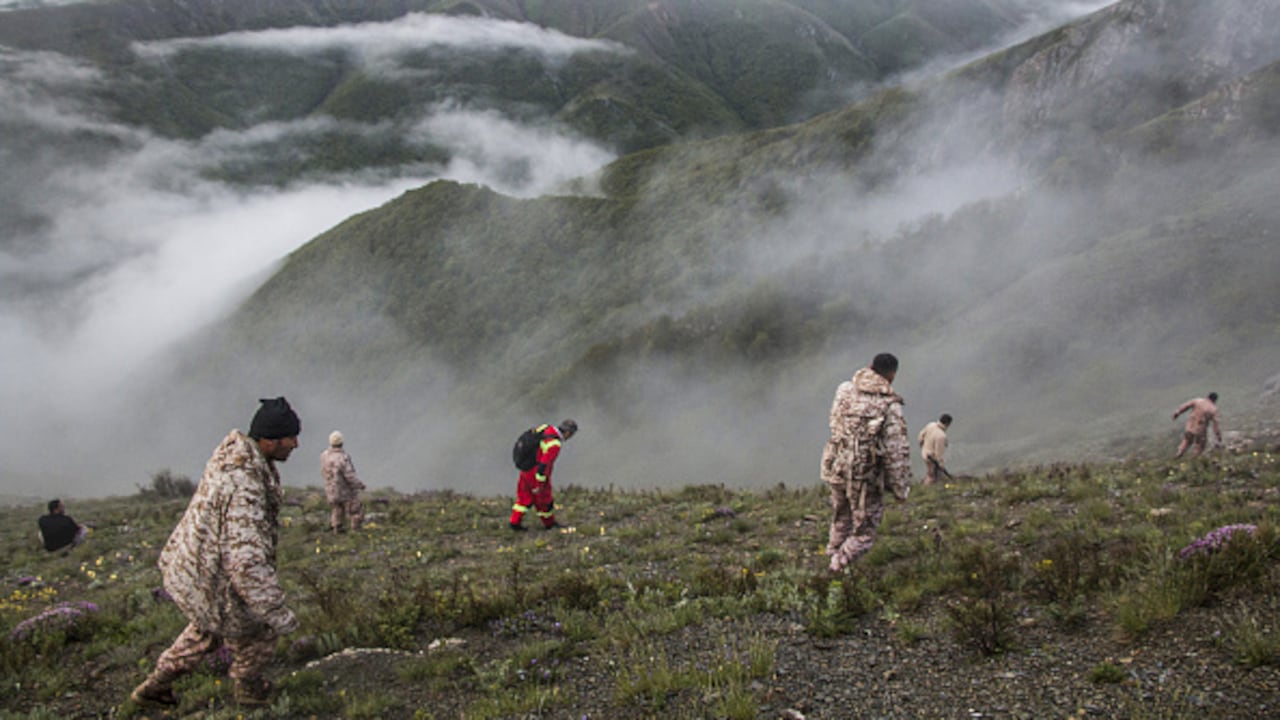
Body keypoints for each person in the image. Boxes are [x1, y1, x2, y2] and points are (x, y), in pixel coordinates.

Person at [131, 397, 302, 709]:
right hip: (215, 576)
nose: (296, 444)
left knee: (205, 631)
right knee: (260, 628)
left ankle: (155, 687)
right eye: (290, 437)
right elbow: (245, 562)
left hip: (197, 569)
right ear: (269, 440)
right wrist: (278, 613)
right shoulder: (245, 487)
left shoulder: (234, 458)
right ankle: (249, 689)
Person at [820, 353, 912, 573]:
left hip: (837, 465)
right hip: (864, 475)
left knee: (841, 516)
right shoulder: (889, 404)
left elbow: (834, 423)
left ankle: (832, 553)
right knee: (864, 531)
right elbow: (896, 451)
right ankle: (837, 567)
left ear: (870, 367)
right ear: (892, 374)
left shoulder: (844, 390)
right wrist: (900, 488)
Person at [509, 419, 578, 531]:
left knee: (524, 497)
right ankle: (549, 524)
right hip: (536, 472)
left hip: (526, 468)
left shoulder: (545, 428)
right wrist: (540, 483)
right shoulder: (554, 444)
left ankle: (514, 523)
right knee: (544, 500)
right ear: (568, 433)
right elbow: (544, 464)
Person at [321, 430, 365, 534]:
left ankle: (337, 527)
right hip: (343, 489)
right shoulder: (343, 457)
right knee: (355, 508)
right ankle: (356, 529)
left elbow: (323, 471)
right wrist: (359, 485)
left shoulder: (324, 456)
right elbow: (349, 475)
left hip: (330, 489)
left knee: (337, 508)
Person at [1173, 392, 1222, 458]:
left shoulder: (1197, 401)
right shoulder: (1213, 409)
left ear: (1207, 396)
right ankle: (1194, 460)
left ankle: (1179, 453)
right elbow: (1216, 424)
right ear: (1215, 400)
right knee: (1200, 446)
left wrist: (1177, 412)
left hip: (1190, 426)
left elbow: (1185, 406)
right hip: (1200, 429)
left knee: (1186, 441)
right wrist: (1218, 435)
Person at [917, 413, 953, 486]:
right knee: (932, 475)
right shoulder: (941, 436)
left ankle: (926, 485)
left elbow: (921, 435)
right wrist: (941, 464)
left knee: (930, 472)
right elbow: (938, 453)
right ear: (947, 424)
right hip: (931, 457)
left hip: (924, 452)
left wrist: (921, 444)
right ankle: (924, 489)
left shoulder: (931, 425)